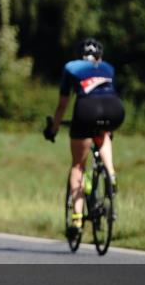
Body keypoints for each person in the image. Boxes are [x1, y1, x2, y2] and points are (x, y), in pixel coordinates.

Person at [44, 38, 125, 234]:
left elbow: (63, 104)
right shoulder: (108, 67)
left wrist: (53, 129)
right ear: (100, 55)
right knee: (104, 132)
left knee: (78, 165)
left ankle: (77, 219)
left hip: (86, 109)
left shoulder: (72, 67)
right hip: (115, 108)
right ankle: (110, 173)